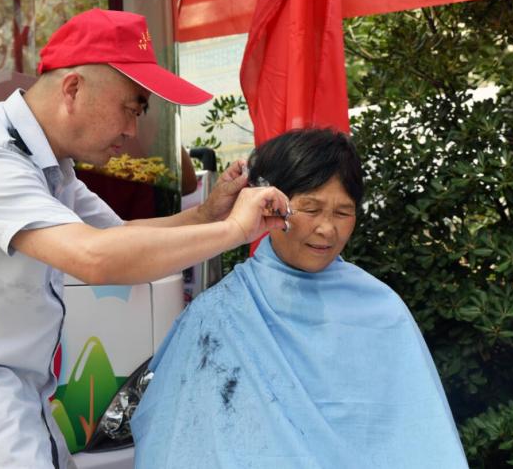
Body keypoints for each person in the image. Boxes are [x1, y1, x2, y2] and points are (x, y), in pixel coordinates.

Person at [0, 8, 288, 469]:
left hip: (6, 410)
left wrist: (207, 213)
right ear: (73, 89)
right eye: (131, 108)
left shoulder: (46, 163)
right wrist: (233, 231)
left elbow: (117, 236)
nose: (132, 131)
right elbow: (95, 258)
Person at [131, 128, 469, 469]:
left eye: (343, 213)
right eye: (310, 208)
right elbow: (178, 442)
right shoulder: (217, 314)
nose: (327, 229)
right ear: (268, 204)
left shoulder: (383, 311)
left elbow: (422, 442)